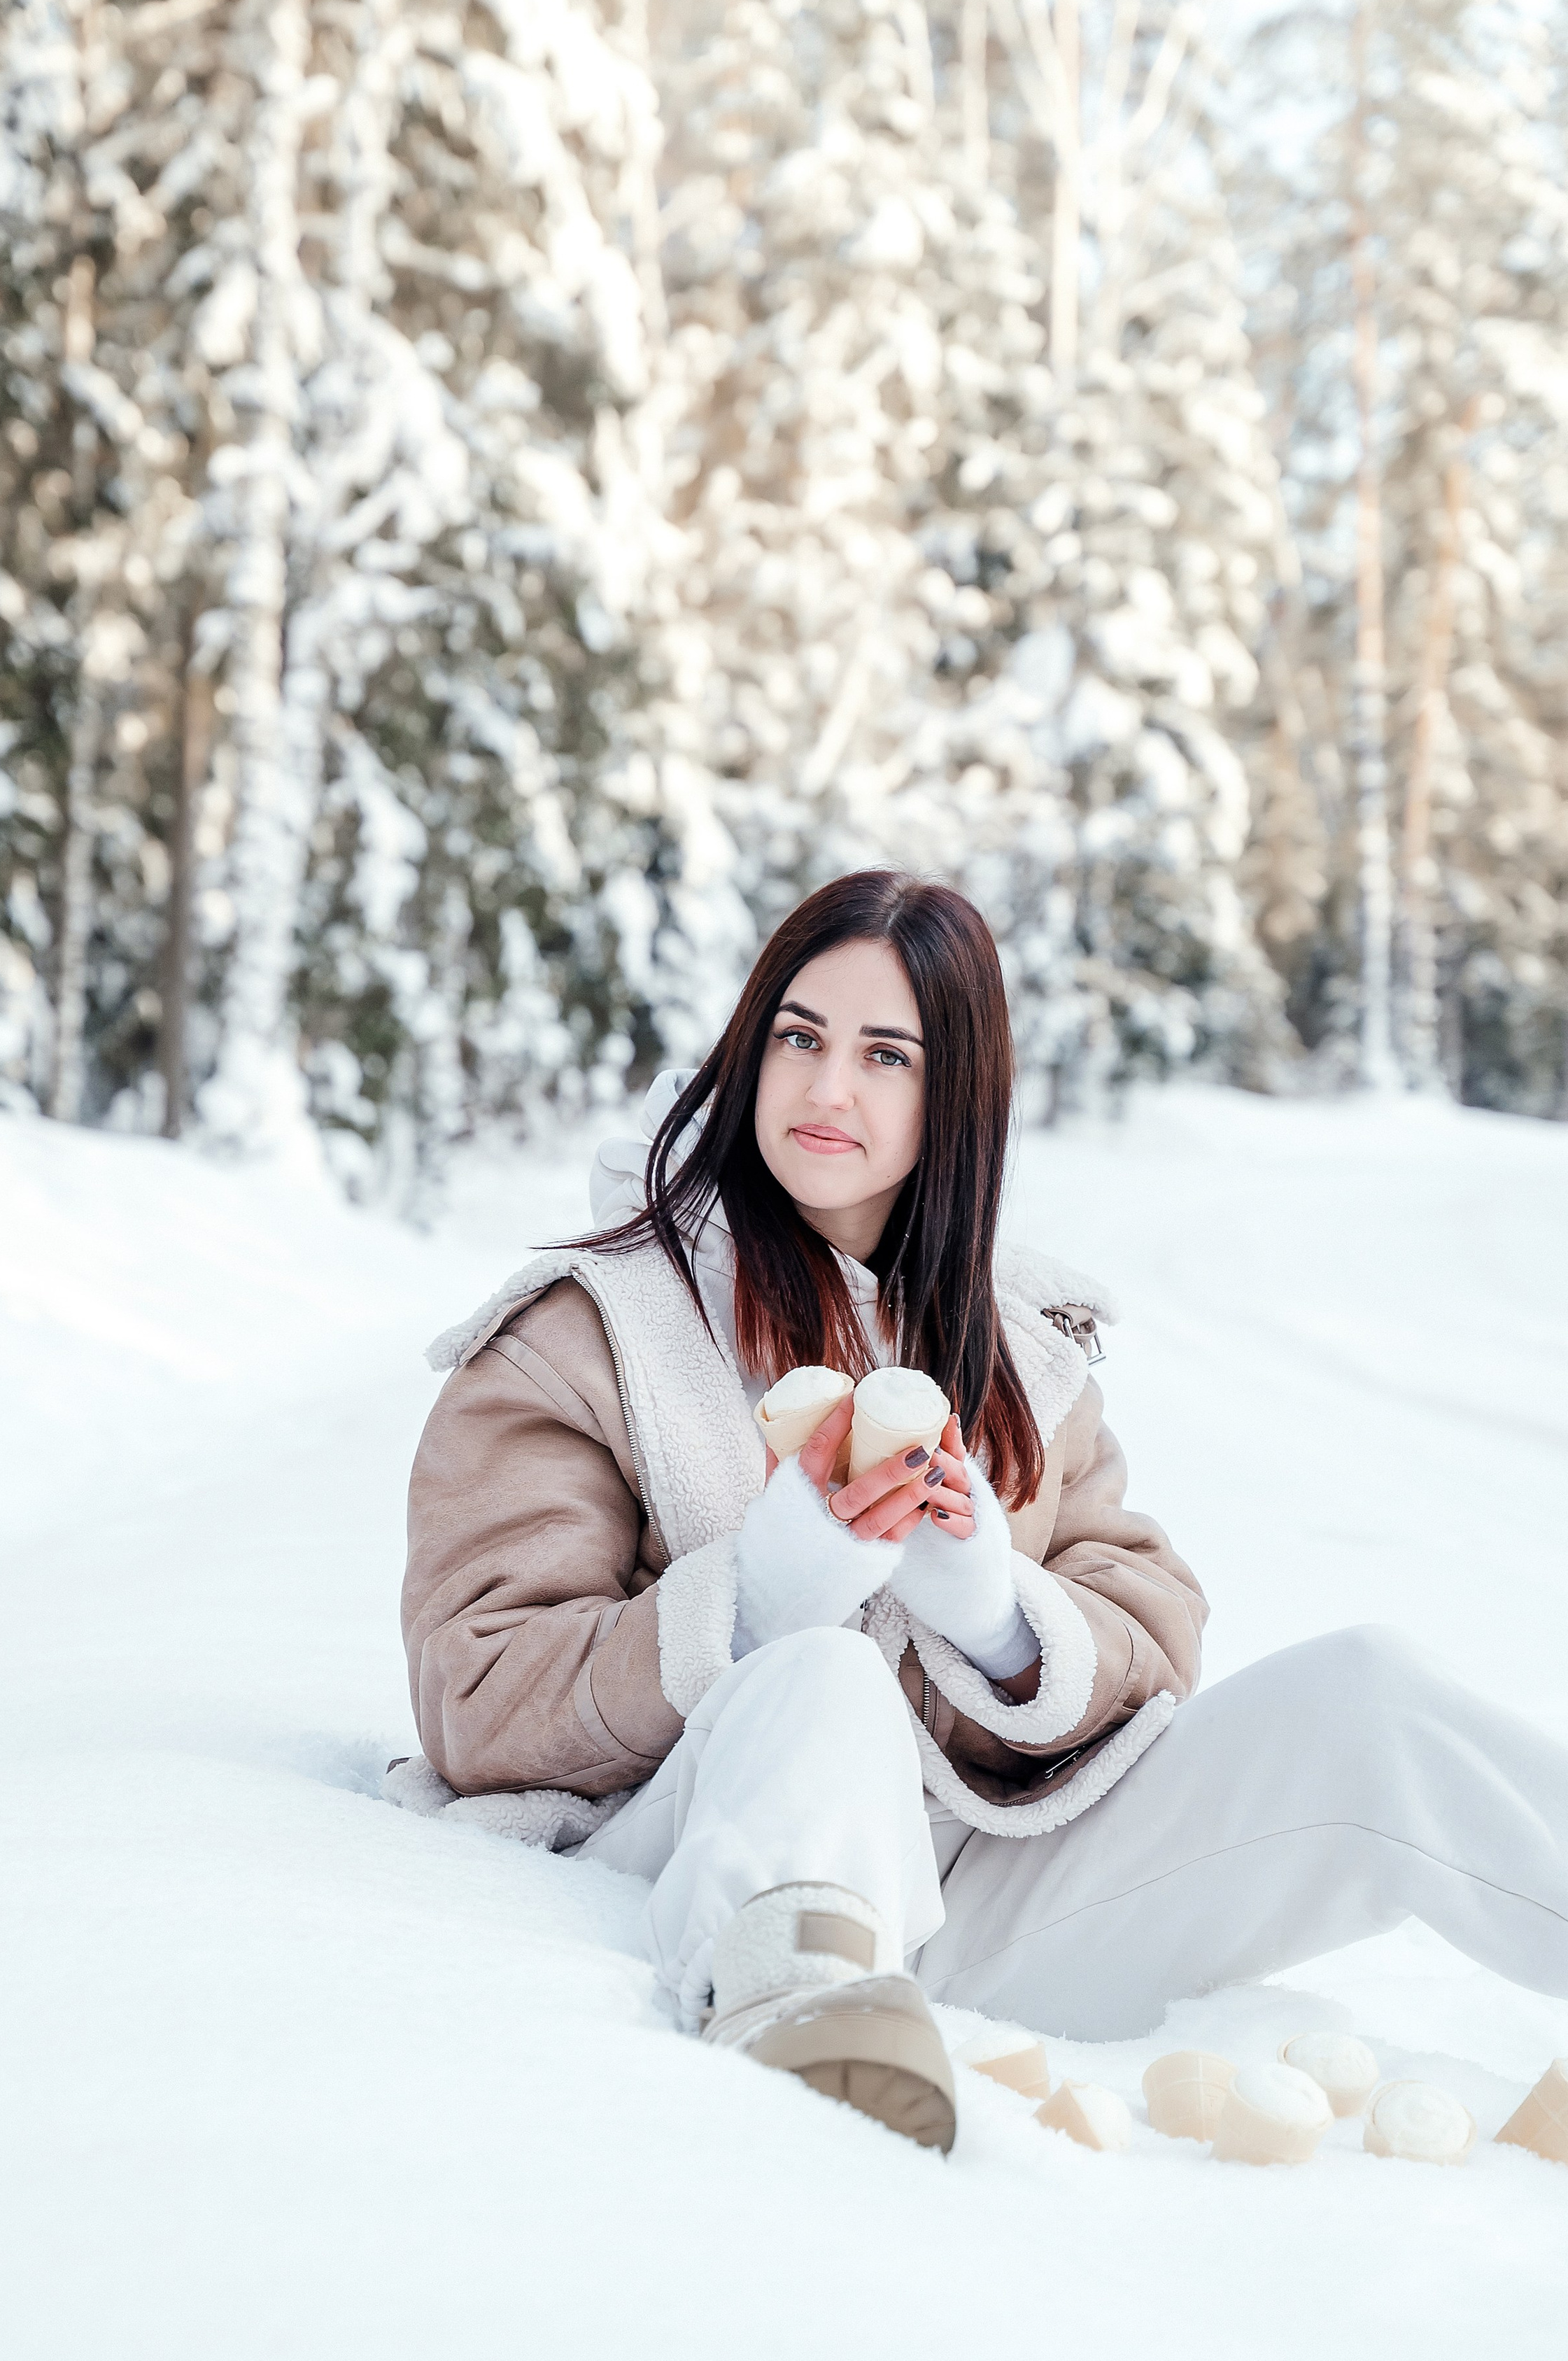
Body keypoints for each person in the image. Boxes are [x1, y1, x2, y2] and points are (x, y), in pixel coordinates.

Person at [396, 870, 1568, 2152]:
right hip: (695, 1887)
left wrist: (1003, 1616)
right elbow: (478, 1695)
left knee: (1370, 1697)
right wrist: (759, 1602)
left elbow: (1149, 1622)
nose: (827, 1088)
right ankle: (815, 2055)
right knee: (826, 1676)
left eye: (885, 1055)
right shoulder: (587, 1331)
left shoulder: (1021, 1349)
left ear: (952, 1096)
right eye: (798, 1037)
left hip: (980, 1902)